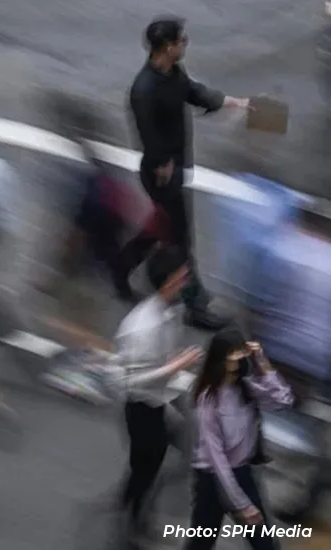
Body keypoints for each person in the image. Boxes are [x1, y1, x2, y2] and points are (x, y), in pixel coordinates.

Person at [119, 17, 251, 329]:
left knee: (162, 232)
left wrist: (229, 102)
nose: (185, 44)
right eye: (181, 40)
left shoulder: (172, 73)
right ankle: (196, 306)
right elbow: (146, 132)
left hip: (174, 168)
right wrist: (162, 162)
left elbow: (191, 91)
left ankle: (121, 268)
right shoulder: (143, 89)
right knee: (179, 241)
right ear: (168, 47)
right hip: (161, 175)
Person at [113, 247, 205, 541]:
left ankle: (132, 510)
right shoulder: (142, 327)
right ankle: (131, 525)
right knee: (146, 468)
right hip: (142, 406)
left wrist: (175, 366)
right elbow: (132, 381)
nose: (186, 283)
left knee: (162, 459)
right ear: (166, 282)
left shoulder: (170, 311)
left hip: (160, 400)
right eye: (182, 278)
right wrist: (174, 366)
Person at [186, 330, 294, 550]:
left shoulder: (245, 387)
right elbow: (217, 459)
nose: (238, 357)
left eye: (240, 351)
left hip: (241, 472)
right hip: (213, 480)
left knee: (265, 545)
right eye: (232, 352)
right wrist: (242, 503)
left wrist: (262, 360)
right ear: (221, 357)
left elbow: (284, 399)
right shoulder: (209, 400)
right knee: (201, 542)